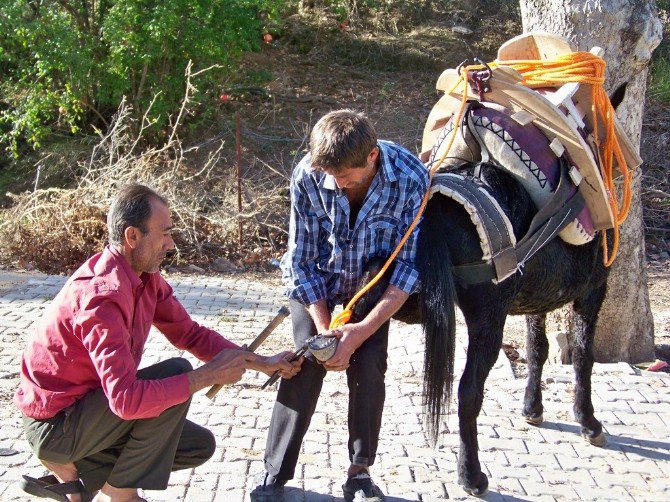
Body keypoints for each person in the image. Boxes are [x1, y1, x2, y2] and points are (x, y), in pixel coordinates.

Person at [14, 184, 303, 502]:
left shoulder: (145, 278)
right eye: (164, 233)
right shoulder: (102, 297)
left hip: (92, 411)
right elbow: (125, 400)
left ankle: (77, 477)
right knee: (175, 375)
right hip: (56, 425)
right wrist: (206, 376)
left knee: (196, 445)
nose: (171, 244)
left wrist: (263, 363)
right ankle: (120, 494)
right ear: (132, 236)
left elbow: (190, 334)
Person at [251, 110, 429, 502]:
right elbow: (301, 261)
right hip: (319, 285)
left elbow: (408, 268)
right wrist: (326, 331)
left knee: (369, 365)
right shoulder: (308, 175)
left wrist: (360, 331)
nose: (338, 183)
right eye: (331, 175)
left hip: (371, 287)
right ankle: (274, 474)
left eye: (345, 176)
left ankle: (360, 472)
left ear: (371, 157)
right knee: (303, 363)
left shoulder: (412, 179)